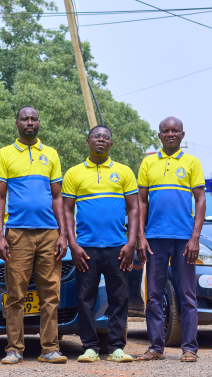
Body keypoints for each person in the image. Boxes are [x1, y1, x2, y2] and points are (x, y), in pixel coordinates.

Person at [0, 106, 68, 364]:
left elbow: (57, 196)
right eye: (24, 118)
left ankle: (49, 349)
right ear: (16, 123)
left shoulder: (51, 154)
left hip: (49, 232)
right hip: (17, 233)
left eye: (34, 118)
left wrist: (63, 234)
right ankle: (14, 349)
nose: (29, 122)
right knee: (15, 294)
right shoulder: (5, 154)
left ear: (39, 123)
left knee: (50, 294)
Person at [62, 125, 139, 363]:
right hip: (86, 247)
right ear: (87, 141)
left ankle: (116, 347)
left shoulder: (124, 172)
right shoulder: (74, 173)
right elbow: (66, 209)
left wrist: (131, 243)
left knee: (119, 297)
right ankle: (90, 347)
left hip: (118, 246)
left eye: (106, 137)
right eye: (96, 136)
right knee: (85, 298)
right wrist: (72, 244)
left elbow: (134, 208)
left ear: (111, 144)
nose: (101, 139)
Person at [135, 117, 206, 363]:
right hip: (154, 238)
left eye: (175, 130)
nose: (171, 134)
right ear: (159, 135)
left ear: (183, 135)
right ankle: (156, 347)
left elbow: (200, 200)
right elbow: (141, 202)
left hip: (184, 239)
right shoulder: (147, 163)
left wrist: (195, 237)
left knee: (187, 294)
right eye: (166, 130)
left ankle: (189, 348)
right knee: (153, 295)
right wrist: (140, 236)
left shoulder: (191, 162)